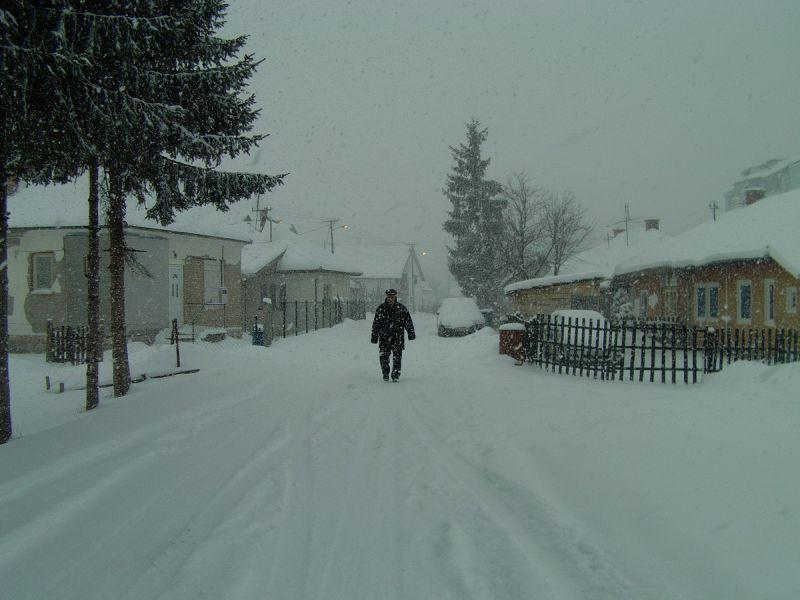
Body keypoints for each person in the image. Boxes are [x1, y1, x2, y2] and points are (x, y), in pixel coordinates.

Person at [370, 288, 415, 381]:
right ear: (386, 297)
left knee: (397, 357)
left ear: (395, 297)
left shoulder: (401, 309)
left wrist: (411, 333)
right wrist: (374, 337)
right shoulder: (381, 309)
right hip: (384, 337)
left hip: (397, 337)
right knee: (383, 356)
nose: (390, 298)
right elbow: (375, 324)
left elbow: (408, 322)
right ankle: (385, 373)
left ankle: (395, 375)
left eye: (392, 296)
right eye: (389, 296)